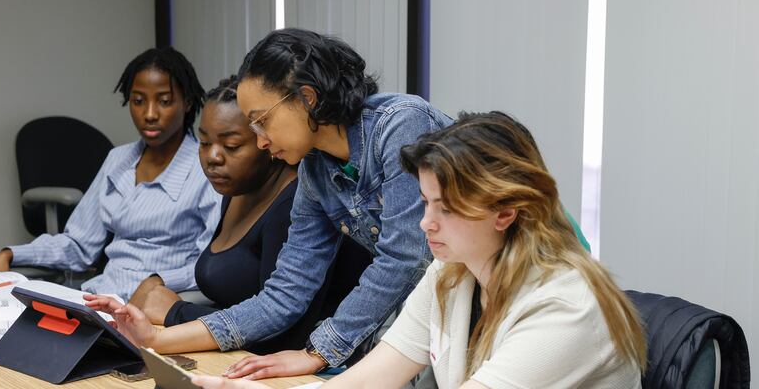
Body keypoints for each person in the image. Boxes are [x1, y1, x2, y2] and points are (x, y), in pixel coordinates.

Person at [90, 28, 454, 378]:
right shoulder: (314, 169)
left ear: (307, 98)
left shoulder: (401, 125)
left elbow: (404, 257)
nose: (261, 141)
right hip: (426, 315)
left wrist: (317, 352)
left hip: (475, 302)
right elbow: (284, 295)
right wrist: (155, 339)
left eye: (262, 121)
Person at [192, 112, 646, 389]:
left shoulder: (566, 306)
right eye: (426, 203)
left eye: (445, 208)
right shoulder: (452, 272)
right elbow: (369, 380)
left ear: (505, 212)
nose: (426, 223)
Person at [89, 76, 369, 353]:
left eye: (231, 146)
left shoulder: (293, 204)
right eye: (204, 142)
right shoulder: (236, 191)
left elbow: (282, 333)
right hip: (233, 348)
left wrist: (176, 312)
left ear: (267, 142)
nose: (213, 157)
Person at [0, 47, 221, 301]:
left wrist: (159, 282)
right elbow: (79, 244)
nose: (149, 114)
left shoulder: (207, 169)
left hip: (157, 306)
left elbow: (209, 266)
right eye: (138, 101)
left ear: (187, 102)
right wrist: (11, 253)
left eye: (164, 101)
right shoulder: (118, 160)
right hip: (99, 298)